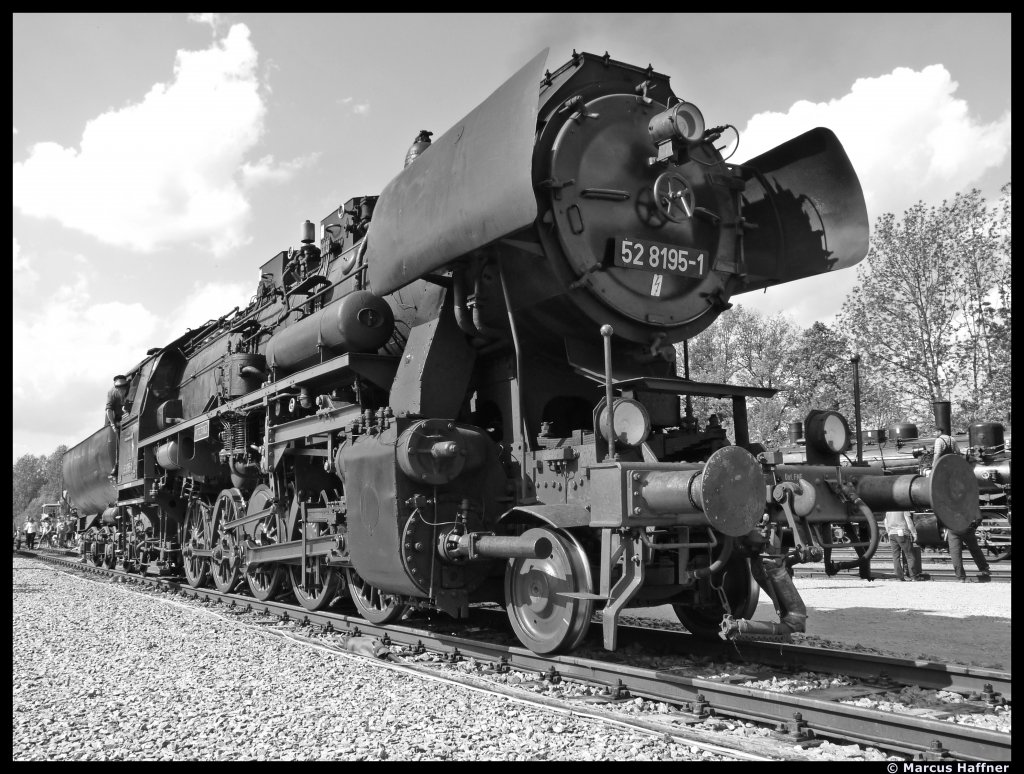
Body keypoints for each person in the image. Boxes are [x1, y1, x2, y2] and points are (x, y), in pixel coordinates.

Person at [883, 510, 924, 581]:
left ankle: (899, 577)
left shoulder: (888, 510)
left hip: (892, 534)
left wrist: (889, 532)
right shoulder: (903, 508)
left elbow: (885, 522)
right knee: (910, 556)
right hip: (902, 533)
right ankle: (913, 576)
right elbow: (909, 521)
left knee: (896, 557)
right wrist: (914, 533)